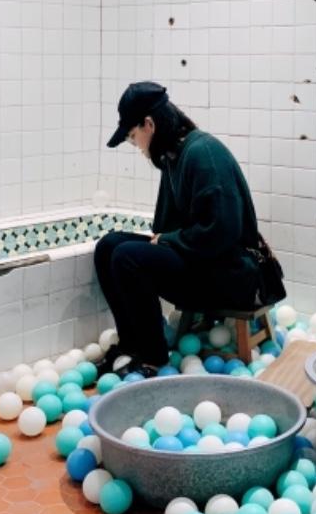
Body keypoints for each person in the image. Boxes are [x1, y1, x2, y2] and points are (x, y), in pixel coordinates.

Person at [95, 81, 271, 377]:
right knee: (108, 246)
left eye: (133, 137)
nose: (137, 146)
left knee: (127, 257)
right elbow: (166, 226)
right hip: (203, 261)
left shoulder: (203, 154)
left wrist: (167, 239)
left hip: (231, 274)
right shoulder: (174, 156)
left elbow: (221, 232)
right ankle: (131, 345)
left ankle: (152, 358)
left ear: (149, 125)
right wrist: (165, 238)